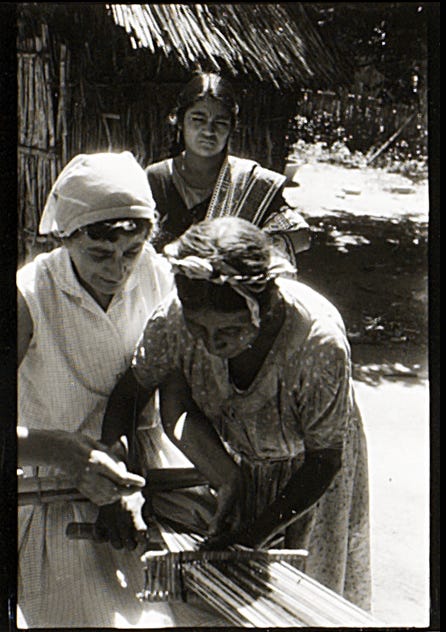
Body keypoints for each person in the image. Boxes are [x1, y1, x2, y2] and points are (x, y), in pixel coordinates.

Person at [104, 216, 371, 611]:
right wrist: (118, 481)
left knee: (306, 599)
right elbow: (129, 394)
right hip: (241, 463)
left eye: (227, 332)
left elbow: (324, 460)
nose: (211, 344)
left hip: (314, 476)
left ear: (264, 309)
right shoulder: (175, 320)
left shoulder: (316, 343)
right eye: (200, 330)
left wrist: (253, 535)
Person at [17, 151, 225, 628]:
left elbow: (169, 391)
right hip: (52, 493)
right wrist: (64, 451)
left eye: (130, 251)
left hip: (145, 482)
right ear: (66, 238)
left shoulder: (156, 273)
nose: (118, 270)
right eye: (99, 254)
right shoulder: (29, 297)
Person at [145, 71, 311, 264]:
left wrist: (243, 249)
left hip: (230, 291)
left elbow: (301, 235)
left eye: (220, 123)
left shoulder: (250, 183)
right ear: (180, 122)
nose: (208, 131)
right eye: (198, 119)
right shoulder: (156, 178)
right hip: (163, 289)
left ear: (232, 128)